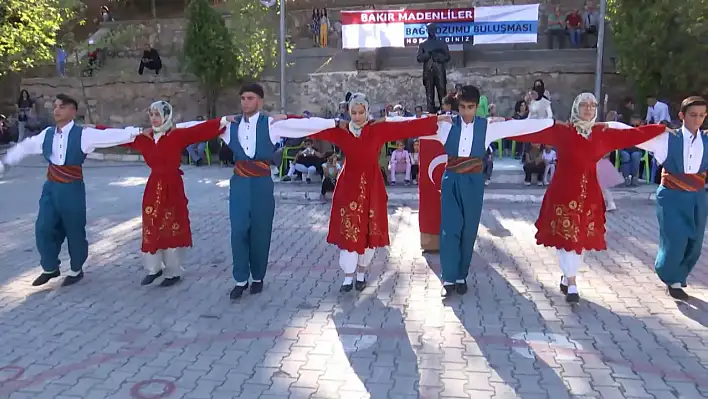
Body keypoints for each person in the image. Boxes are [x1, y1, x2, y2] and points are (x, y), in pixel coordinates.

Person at [508, 92, 668, 303]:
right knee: (566, 237)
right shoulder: (561, 131)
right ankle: (572, 281)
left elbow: (633, 135)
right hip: (563, 192)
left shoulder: (602, 132)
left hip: (589, 193)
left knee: (580, 238)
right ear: (576, 107)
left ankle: (568, 277)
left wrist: (660, 129)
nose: (588, 109)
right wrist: (497, 127)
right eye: (584, 105)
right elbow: (528, 132)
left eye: (592, 105)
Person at [276, 93, 442, 292]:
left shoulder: (378, 129)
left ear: (367, 111)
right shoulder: (341, 131)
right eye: (353, 112)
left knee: (369, 231)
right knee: (350, 229)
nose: (357, 117)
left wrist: (437, 120)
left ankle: (362, 274)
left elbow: (406, 126)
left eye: (360, 112)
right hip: (349, 185)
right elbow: (314, 126)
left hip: (372, 185)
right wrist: (287, 119)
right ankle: (348, 277)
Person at [415, 85, 555, 297]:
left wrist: (554, 123)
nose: (466, 112)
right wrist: (431, 119)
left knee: (469, 229)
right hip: (451, 179)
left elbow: (521, 127)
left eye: (470, 107)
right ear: (457, 106)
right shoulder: (445, 125)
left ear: (477, 106)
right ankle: (449, 278)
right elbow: (412, 127)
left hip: (473, 181)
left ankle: (461, 276)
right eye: (462, 107)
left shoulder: (487, 126)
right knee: (450, 228)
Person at [0, 94, 143, 287]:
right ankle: (50, 268)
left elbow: (110, 136)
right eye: (55, 106)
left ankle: (76, 269)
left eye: (62, 106)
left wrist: (138, 131)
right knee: (43, 227)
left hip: (72, 188)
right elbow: (26, 146)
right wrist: (5, 163)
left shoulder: (83, 134)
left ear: (72, 111)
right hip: (50, 187)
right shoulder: (48, 134)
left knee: (74, 229)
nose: (56, 110)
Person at [218, 83, 333, 300]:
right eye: (242, 98)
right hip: (240, 183)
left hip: (262, 182)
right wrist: (220, 120)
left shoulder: (272, 125)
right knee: (239, 230)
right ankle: (240, 279)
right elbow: (196, 129)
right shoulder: (230, 125)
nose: (245, 102)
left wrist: (336, 122)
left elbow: (305, 124)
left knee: (261, 231)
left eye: (250, 98)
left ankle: (258, 277)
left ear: (259, 101)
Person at [116, 102, 227, 287]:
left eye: (157, 114)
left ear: (167, 116)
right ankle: (153, 268)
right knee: (151, 223)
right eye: (151, 115)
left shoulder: (176, 136)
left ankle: (173, 272)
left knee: (171, 225)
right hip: (153, 187)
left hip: (172, 186)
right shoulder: (144, 138)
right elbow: (118, 137)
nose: (154, 118)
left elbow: (199, 131)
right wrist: (93, 131)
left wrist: (223, 120)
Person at [609, 96, 708, 300]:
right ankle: (672, 278)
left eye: (701, 115)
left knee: (695, 243)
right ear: (681, 116)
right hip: (671, 196)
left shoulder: (706, 140)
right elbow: (631, 133)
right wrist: (598, 123)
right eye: (692, 115)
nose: (697, 120)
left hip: (697, 197)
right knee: (676, 240)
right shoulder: (666, 138)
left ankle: (680, 275)